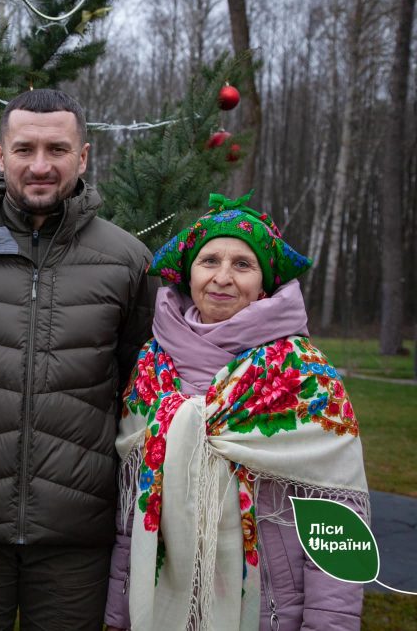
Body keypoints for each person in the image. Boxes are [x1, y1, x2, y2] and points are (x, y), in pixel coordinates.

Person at [0, 88, 158, 629]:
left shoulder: (127, 260)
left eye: (57, 149)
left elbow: (142, 392)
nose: (40, 166)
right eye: (24, 150)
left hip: (76, 538)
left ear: (83, 157)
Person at [103, 192, 369, 631]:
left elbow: (338, 519)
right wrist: (120, 615)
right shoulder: (154, 365)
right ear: (188, 274)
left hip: (269, 609)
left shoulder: (303, 374)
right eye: (209, 261)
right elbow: (132, 513)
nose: (222, 277)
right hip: (162, 603)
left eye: (242, 265)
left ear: (264, 283)